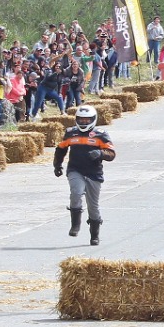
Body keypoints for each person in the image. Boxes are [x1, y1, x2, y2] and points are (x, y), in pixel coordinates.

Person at [53, 105, 115, 245]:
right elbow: (60, 149)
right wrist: (57, 165)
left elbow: (111, 154)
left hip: (94, 173)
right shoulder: (70, 133)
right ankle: (75, 225)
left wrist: (100, 153)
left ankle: (94, 235)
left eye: (87, 120)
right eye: (81, 120)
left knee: (93, 207)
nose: (84, 123)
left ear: (93, 120)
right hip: (76, 170)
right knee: (76, 192)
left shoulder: (101, 134)